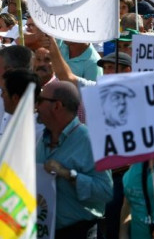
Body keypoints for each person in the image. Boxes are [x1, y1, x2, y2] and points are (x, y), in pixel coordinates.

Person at [36, 81, 113, 239]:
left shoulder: (90, 141)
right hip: (44, 230)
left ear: (57, 106)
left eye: (40, 100)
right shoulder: (41, 138)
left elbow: (105, 191)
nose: (36, 106)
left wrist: (68, 174)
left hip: (78, 232)